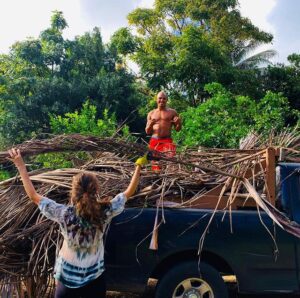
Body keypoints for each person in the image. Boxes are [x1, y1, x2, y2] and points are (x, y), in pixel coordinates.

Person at [7, 148, 148, 298]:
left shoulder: (63, 214)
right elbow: (128, 192)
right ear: (96, 191)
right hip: (95, 280)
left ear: (73, 193)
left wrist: (20, 166)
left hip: (66, 281)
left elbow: (33, 196)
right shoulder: (105, 212)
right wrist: (138, 167)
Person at [145, 91, 182, 171]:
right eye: (160, 98)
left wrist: (179, 123)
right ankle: (158, 180)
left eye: (164, 98)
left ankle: (168, 180)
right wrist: (151, 124)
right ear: (156, 99)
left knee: (170, 162)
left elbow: (178, 129)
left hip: (167, 141)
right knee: (155, 164)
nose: (162, 100)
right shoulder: (151, 113)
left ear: (167, 100)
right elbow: (147, 131)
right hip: (154, 141)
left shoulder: (172, 112)